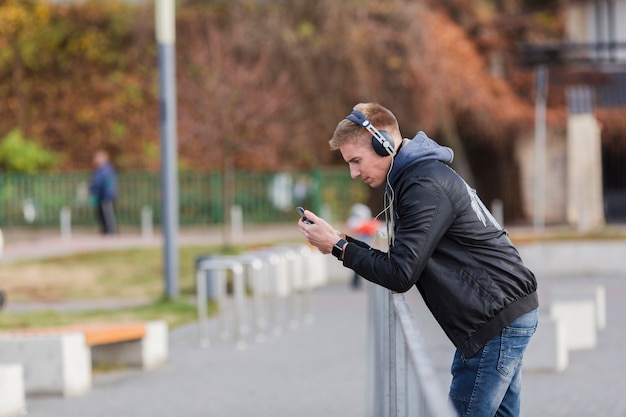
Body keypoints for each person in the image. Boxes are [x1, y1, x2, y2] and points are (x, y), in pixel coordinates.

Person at [298, 102, 538, 417]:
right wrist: (340, 242)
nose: (354, 173)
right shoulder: (417, 177)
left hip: (495, 320)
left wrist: (338, 247)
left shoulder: (422, 184)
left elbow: (400, 273)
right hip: (500, 314)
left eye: (356, 161)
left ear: (382, 143)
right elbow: (400, 261)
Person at [346, 203, 379, 289]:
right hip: (359, 246)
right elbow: (356, 227)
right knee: (357, 266)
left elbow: (373, 229)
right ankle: (356, 283)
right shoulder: (355, 222)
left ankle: (357, 282)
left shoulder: (367, 223)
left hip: (366, 246)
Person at [89, 150, 118, 235]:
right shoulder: (101, 169)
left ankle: (111, 231)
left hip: (107, 195)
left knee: (107, 214)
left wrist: (92, 188)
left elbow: (100, 182)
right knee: (101, 214)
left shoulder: (106, 170)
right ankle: (106, 230)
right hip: (102, 195)